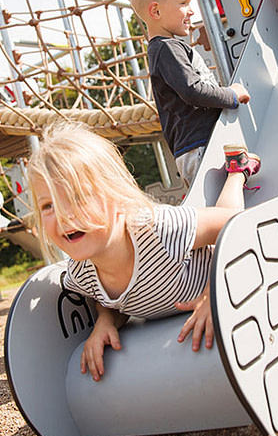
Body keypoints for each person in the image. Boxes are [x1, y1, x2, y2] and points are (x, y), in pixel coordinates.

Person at [27, 122, 260, 381]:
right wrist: (105, 320)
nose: (62, 215)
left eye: (78, 197)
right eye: (48, 206)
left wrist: (213, 293)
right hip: (175, 290)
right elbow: (109, 302)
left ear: (115, 194)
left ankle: (237, 170)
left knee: (226, 215)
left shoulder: (158, 230)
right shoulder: (80, 274)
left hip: (209, 265)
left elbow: (234, 226)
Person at [129, 0, 251, 183]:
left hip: (199, 144)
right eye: (184, 3)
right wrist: (231, 95)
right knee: (223, 203)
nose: (192, 11)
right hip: (199, 146)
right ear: (156, 11)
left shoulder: (169, 47)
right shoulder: (166, 48)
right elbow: (192, 90)